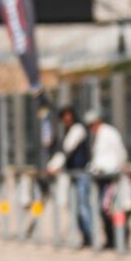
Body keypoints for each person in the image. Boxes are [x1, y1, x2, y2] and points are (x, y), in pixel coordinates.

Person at [45, 106, 93, 247]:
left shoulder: (77, 130)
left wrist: (54, 166)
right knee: (74, 207)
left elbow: (66, 149)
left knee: (83, 207)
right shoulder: (67, 131)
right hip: (72, 175)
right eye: (64, 117)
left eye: (68, 116)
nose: (66, 119)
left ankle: (91, 238)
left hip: (81, 174)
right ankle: (86, 238)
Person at [85, 110, 129, 248]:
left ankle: (118, 239)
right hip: (103, 177)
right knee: (107, 209)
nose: (91, 128)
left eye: (92, 124)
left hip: (111, 177)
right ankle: (112, 239)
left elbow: (118, 154)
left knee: (110, 208)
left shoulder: (108, 133)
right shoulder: (100, 135)